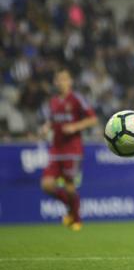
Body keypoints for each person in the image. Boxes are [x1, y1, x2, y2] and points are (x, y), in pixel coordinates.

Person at [40, 68, 98, 231]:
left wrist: (75, 126)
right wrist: (46, 127)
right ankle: (73, 210)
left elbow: (93, 119)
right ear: (55, 82)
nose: (62, 82)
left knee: (69, 187)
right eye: (59, 79)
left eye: (65, 79)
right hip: (56, 149)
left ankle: (76, 220)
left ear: (70, 81)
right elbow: (52, 121)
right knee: (46, 185)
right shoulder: (53, 101)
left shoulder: (77, 99)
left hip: (72, 149)